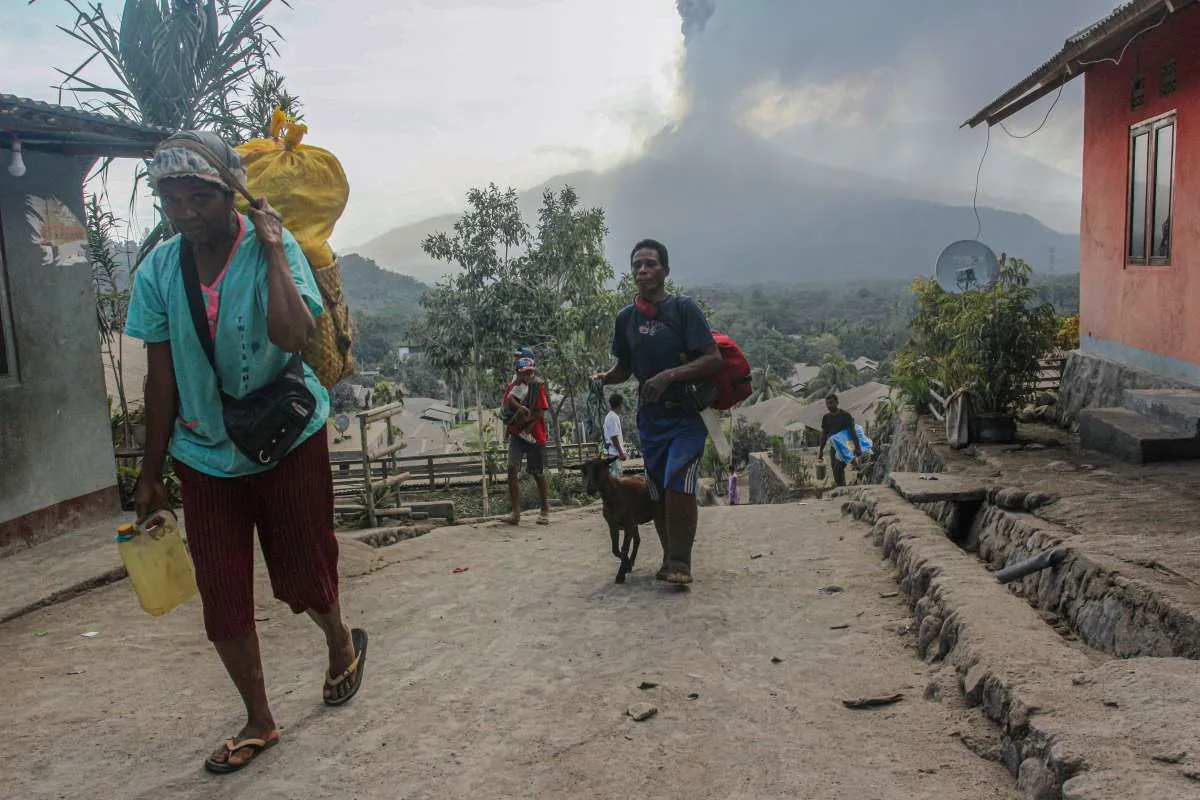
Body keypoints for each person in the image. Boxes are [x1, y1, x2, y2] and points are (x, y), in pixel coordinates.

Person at [124, 131, 367, 775]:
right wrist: (149, 477)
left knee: (303, 565)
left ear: (231, 193)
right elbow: (161, 378)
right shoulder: (157, 270)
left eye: (198, 197)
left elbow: (292, 335)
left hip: (287, 437)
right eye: (169, 200)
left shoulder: (271, 246)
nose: (184, 213)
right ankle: (259, 717)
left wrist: (272, 248)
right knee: (223, 590)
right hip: (203, 451)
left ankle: (339, 639)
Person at [593, 238, 723, 585]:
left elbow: (713, 358)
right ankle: (670, 559)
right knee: (660, 490)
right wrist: (605, 379)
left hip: (686, 416)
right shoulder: (627, 319)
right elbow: (625, 366)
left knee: (680, 482)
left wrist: (669, 376)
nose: (642, 270)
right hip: (651, 421)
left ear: (665, 270)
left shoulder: (684, 309)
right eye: (637, 264)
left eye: (650, 263)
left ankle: (681, 561)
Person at [502, 356, 551, 525]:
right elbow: (506, 411)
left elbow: (539, 413)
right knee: (511, 468)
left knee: (537, 473)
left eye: (530, 372)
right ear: (517, 373)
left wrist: (524, 424)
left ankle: (544, 509)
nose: (528, 376)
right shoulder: (511, 388)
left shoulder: (537, 387)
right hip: (516, 435)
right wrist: (510, 428)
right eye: (524, 373)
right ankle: (516, 512)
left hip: (534, 435)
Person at [817, 393, 863, 487]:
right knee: (835, 471)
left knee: (838, 468)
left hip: (846, 445)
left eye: (831, 403)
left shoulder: (845, 416)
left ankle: (843, 487)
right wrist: (821, 450)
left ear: (837, 402)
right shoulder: (826, 418)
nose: (829, 405)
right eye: (827, 404)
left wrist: (857, 447)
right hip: (834, 447)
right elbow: (824, 434)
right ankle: (842, 488)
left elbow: (852, 433)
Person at [603, 394, 628, 477]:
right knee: (616, 479)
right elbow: (614, 437)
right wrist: (621, 453)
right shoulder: (613, 417)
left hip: (612, 453)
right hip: (613, 454)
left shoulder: (611, 416)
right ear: (620, 405)